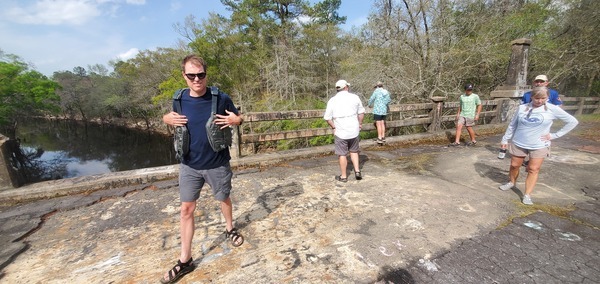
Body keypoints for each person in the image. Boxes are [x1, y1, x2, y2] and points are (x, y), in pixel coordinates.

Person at [160, 55, 244, 283]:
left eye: (201, 75)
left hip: (217, 163)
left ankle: (229, 229)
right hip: (189, 165)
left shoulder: (220, 97)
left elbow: (239, 117)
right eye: (191, 75)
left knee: (223, 198)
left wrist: (237, 120)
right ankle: (185, 260)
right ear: (184, 76)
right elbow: (172, 120)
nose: (197, 79)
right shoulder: (178, 99)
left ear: (206, 74)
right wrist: (165, 118)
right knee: (186, 210)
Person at [498, 87, 578, 205]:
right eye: (537, 98)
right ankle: (511, 182)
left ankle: (527, 194)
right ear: (532, 97)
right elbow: (512, 125)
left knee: (533, 169)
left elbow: (572, 121)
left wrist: (554, 135)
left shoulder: (552, 109)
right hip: (519, 142)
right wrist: (505, 139)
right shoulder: (522, 108)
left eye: (543, 98)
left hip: (539, 144)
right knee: (514, 165)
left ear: (547, 98)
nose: (540, 101)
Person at [324, 79, 366, 182]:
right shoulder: (354, 97)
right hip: (353, 129)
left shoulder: (332, 100)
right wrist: (360, 123)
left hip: (341, 131)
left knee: (342, 154)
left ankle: (343, 176)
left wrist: (334, 127)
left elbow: (327, 118)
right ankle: (357, 171)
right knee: (354, 151)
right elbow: (361, 113)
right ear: (346, 87)